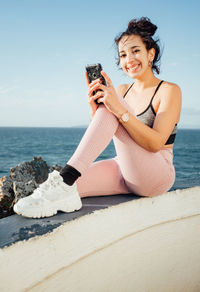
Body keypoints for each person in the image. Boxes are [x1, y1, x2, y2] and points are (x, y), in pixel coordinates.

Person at [13, 17, 182, 218]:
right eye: (123, 55)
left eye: (136, 51)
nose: (129, 60)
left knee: (112, 105)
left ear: (150, 53)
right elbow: (107, 130)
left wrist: (117, 108)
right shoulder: (121, 91)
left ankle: (66, 177)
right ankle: (61, 186)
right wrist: (95, 109)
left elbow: (155, 144)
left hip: (157, 173)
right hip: (125, 168)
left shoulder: (169, 90)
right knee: (67, 189)